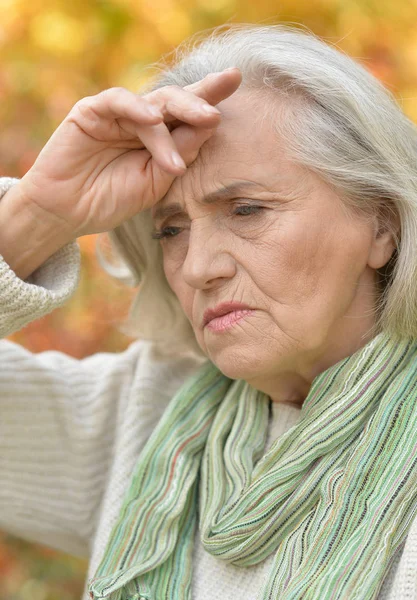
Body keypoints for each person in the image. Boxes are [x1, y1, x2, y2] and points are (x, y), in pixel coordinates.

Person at [1, 21, 417, 600]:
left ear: (383, 225)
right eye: (170, 229)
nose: (197, 267)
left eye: (246, 210)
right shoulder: (140, 418)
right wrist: (34, 214)